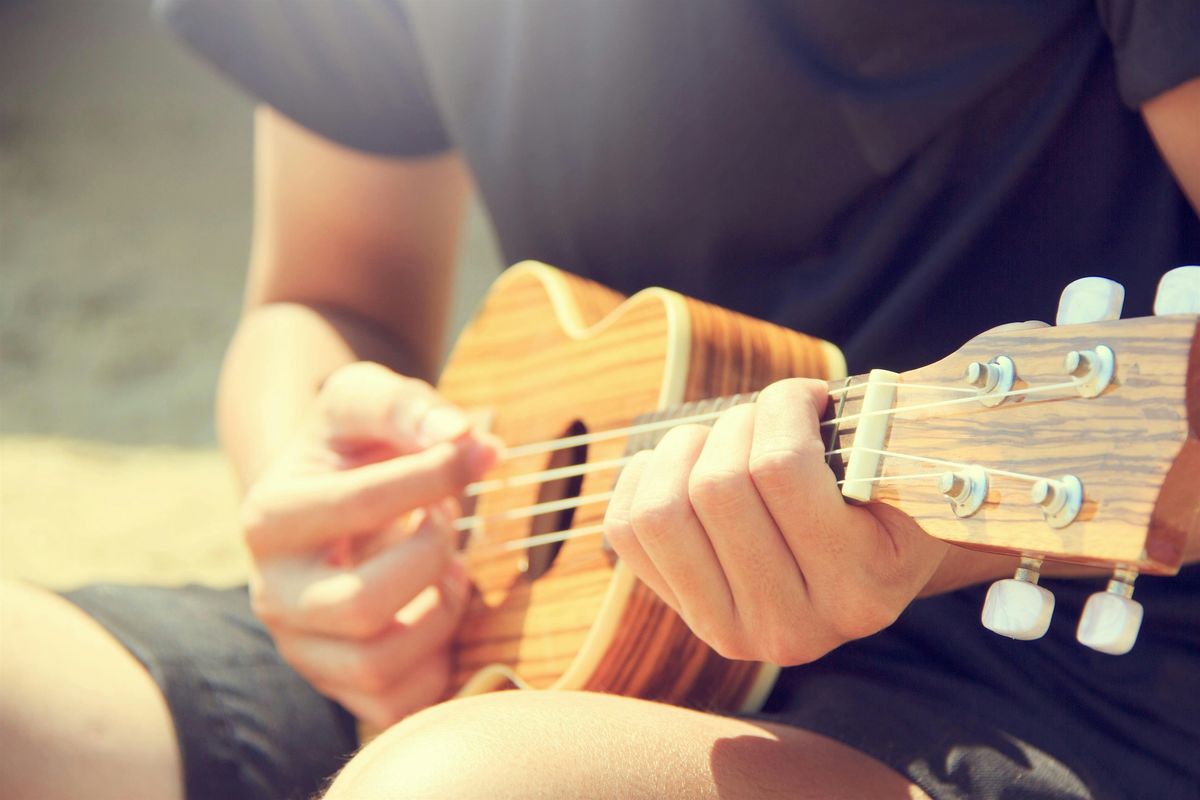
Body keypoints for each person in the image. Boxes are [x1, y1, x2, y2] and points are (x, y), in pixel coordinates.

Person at [2, 1, 1198, 798]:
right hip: (512, 612)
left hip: (1056, 682)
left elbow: (1148, 423)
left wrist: (932, 526)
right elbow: (324, 293)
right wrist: (321, 507)